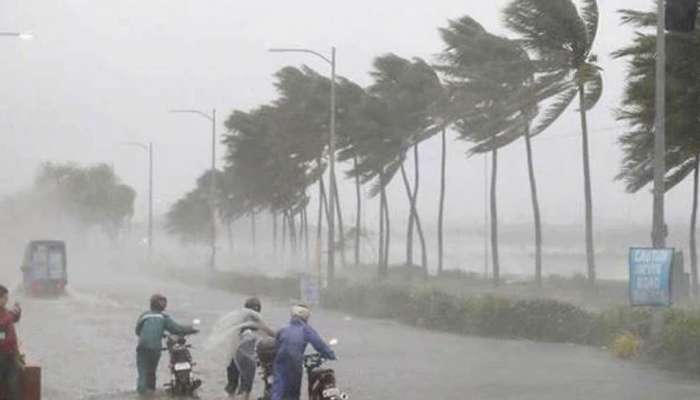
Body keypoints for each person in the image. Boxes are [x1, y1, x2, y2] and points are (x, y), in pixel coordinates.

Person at [208, 297, 275, 399]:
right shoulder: (256, 320)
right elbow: (268, 332)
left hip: (233, 354)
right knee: (245, 386)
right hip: (246, 357)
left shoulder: (238, 319)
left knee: (232, 384)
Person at [135, 294, 198, 395]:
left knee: (142, 373)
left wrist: (160, 334)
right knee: (151, 372)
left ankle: (141, 394)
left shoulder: (144, 315)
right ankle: (151, 393)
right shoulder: (163, 317)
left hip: (142, 347)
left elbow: (138, 331)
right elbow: (177, 329)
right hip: (155, 348)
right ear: (163, 306)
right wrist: (192, 329)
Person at [271, 304, 336, 400]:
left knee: (278, 389)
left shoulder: (283, 329)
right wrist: (331, 355)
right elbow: (319, 344)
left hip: (280, 361)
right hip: (295, 362)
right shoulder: (306, 329)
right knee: (293, 392)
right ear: (306, 317)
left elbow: (276, 345)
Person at [0, 285, 21, 400]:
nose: (7, 300)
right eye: (4, 297)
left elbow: (13, 317)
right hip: (1, 355)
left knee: (13, 386)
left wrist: (17, 312)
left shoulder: (5, 311)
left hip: (11, 354)